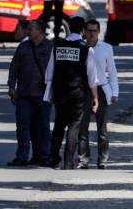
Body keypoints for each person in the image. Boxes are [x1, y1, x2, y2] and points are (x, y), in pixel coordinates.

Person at [44, 16, 98, 169]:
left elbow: (49, 72)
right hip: (77, 93)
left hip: (60, 92)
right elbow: (92, 78)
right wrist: (95, 97)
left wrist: (50, 92)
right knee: (74, 127)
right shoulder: (86, 49)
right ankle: (68, 162)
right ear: (82, 31)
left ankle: (53, 159)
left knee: (59, 126)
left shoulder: (58, 46)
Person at [7, 20, 53, 167]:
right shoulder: (23, 46)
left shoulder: (50, 47)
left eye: (31, 29)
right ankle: (22, 156)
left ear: (39, 31)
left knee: (42, 126)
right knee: (23, 125)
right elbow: (14, 67)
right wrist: (11, 87)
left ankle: (43, 156)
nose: (28, 31)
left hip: (43, 94)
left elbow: (57, 71)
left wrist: (55, 92)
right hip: (24, 94)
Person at [77, 20, 119, 169]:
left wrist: (115, 92)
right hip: (84, 90)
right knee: (82, 127)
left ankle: (102, 160)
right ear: (84, 32)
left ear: (99, 32)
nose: (92, 33)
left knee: (102, 128)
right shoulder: (80, 47)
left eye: (95, 31)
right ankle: (83, 160)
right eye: (89, 30)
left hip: (101, 89)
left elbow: (112, 71)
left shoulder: (106, 48)